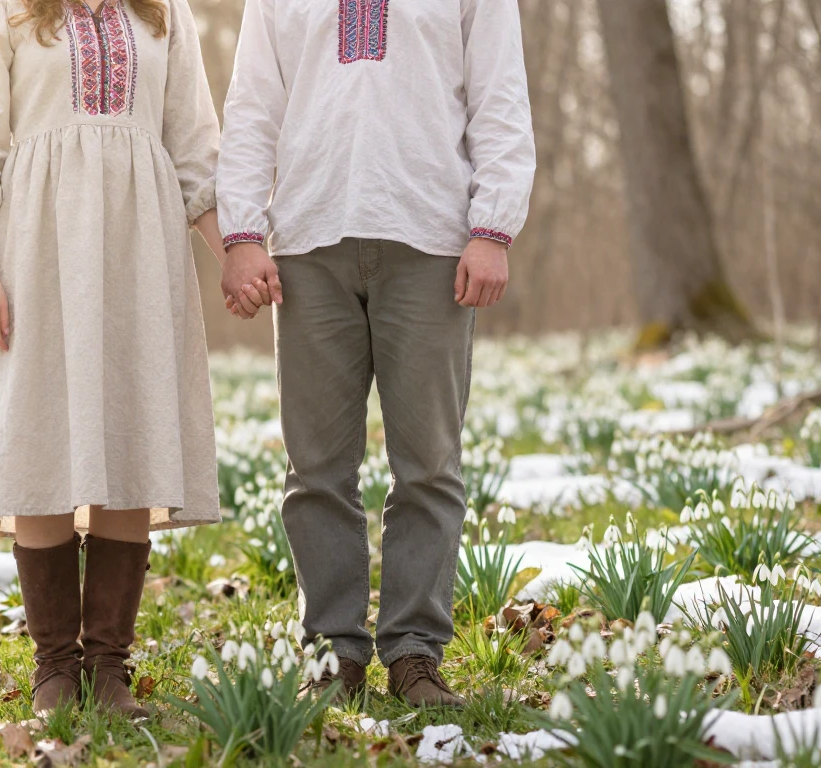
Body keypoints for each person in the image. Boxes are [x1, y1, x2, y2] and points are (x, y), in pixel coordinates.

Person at [214, 0, 535, 707]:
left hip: (429, 233)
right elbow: (251, 108)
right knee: (317, 469)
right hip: (308, 235)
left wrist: (493, 224)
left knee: (428, 463)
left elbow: (499, 95)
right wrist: (241, 231)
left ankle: (415, 651)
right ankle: (333, 652)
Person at [0, 0, 226, 719]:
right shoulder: (2, 11)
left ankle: (109, 671)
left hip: (140, 244)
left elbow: (194, 143)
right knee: (41, 435)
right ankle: (55, 671)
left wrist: (237, 256)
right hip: (37, 243)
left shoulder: (162, 12)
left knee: (130, 431)